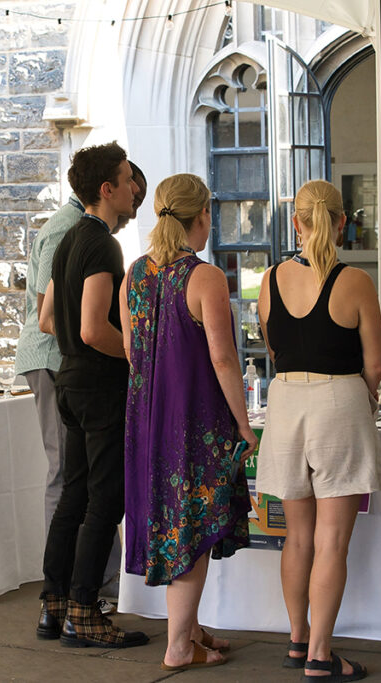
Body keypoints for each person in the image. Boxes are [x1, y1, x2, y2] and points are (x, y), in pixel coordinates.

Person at [119, 173, 255, 670]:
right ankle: (178, 646)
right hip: (192, 420)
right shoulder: (205, 277)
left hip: (147, 418)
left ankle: (190, 628)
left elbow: (132, 353)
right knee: (190, 528)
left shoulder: (134, 274)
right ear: (203, 217)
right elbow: (223, 359)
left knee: (170, 521)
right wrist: (243, 425)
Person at [255, 179, 381, 681]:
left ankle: (297, 639)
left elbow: (273, 345)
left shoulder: (270, 278)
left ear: (297, 222)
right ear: (343, 222)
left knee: (298, 538)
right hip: (339, 401)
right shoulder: (355, 281)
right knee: (332, 541)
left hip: (286, 403)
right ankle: (321, 656)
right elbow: (376, 364)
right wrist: (365, 398)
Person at [14, 161, 147, 613]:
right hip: (96, 384)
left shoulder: (69, 237)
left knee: (74, 493)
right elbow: (93, 330)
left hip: (69, 377)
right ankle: (85, 608)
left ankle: (55, 602)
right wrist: (141, 356)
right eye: (129, 181)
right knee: (104, 498)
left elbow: (48, 319)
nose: (135, 189)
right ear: (107, 190)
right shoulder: (101, 244)